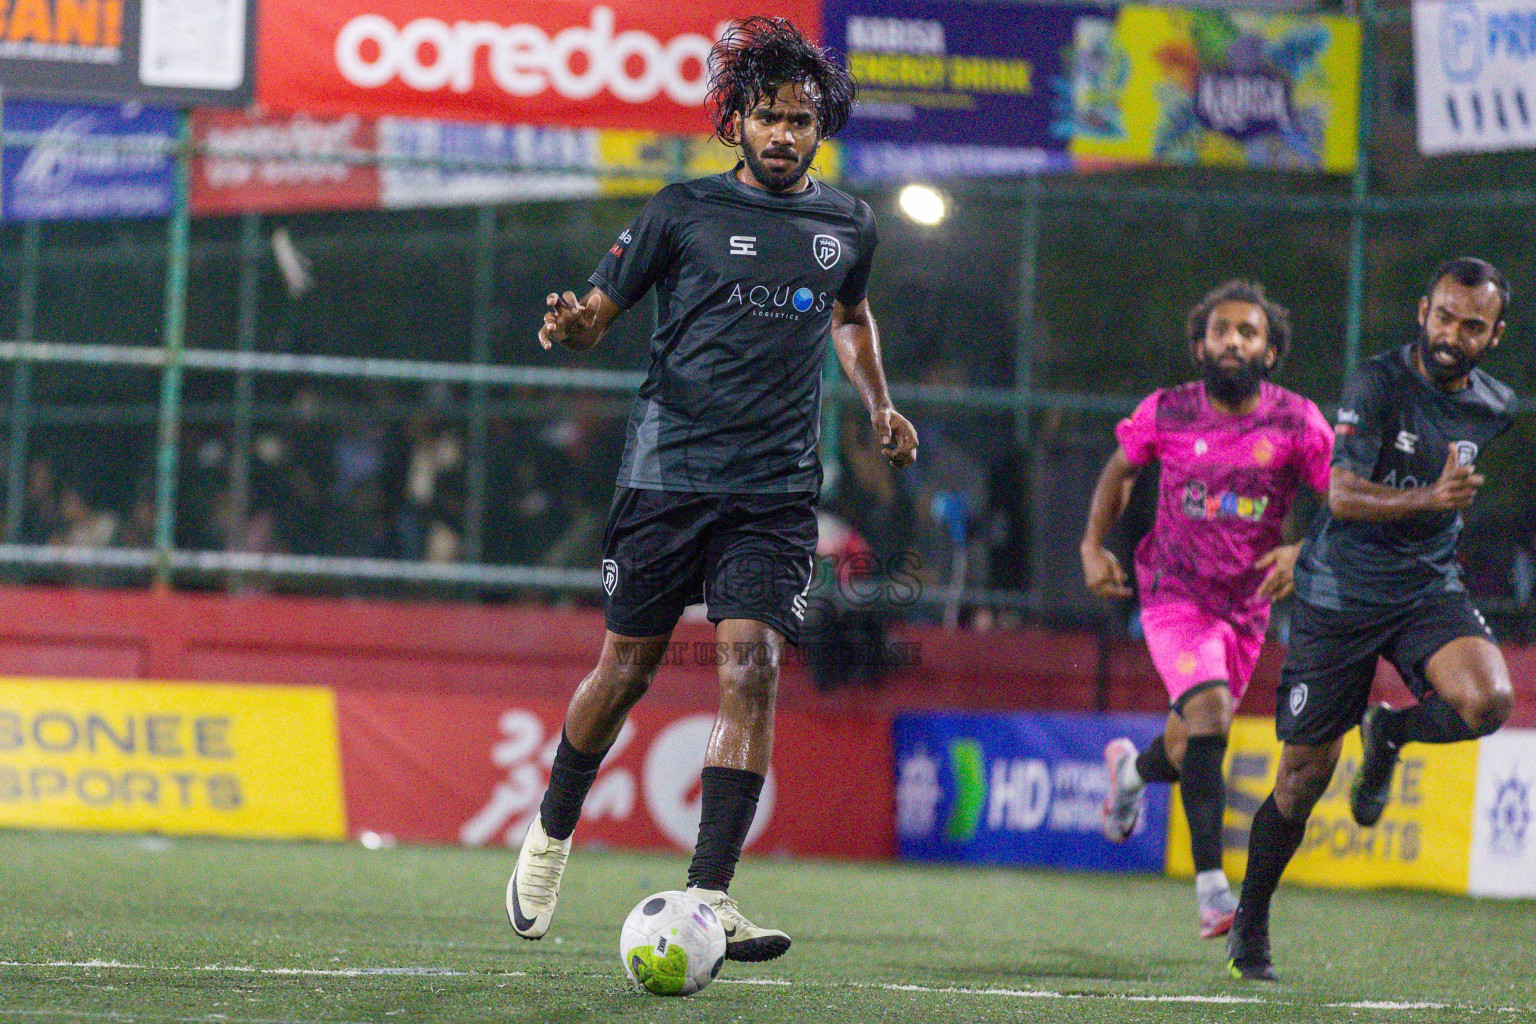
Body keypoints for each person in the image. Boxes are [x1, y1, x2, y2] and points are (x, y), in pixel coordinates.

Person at [505, 17, 918, 964]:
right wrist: (570, 329)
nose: (784, 134)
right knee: (627, 672)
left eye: (801, 120)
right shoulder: (679, 211)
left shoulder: (848, 223)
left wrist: (879, 406)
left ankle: (709, 894)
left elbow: (852, 318)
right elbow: (598, 315)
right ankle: (552, 832)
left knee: (753, 669)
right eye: (767, 116)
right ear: (735, 121)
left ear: (824, 127)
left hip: (773, 493)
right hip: (667, 477)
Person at [1226, 257, 1517, 981]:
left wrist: (1441, 510)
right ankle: (1251, 923)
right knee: (1301, 780)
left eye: (1472, 326)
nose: (1453, 334)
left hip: (1426, 590)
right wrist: (1434, 500)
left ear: (1495, 334)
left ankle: (1389, 731)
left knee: (1488, 703)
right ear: (1424, 311)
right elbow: (1345, 495)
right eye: (1444, 317)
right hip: (1339, 597)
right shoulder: (1377, 382)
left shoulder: (1496, 405)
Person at [1082, 280, 1333, 939]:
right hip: (1173, 592)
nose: (1232, 341)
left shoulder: (1298, 421)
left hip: (1246, 608)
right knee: (1211, 713)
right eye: (1221, 330)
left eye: (1248, 332)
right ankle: (1213, 892)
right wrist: (1091, 544)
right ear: (1200, 345)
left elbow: (1348, 497)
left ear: (1271, 351)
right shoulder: (1167, 409)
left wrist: (1303, 549)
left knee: (1187, 737)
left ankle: (1130, 774)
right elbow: (1121, 469)